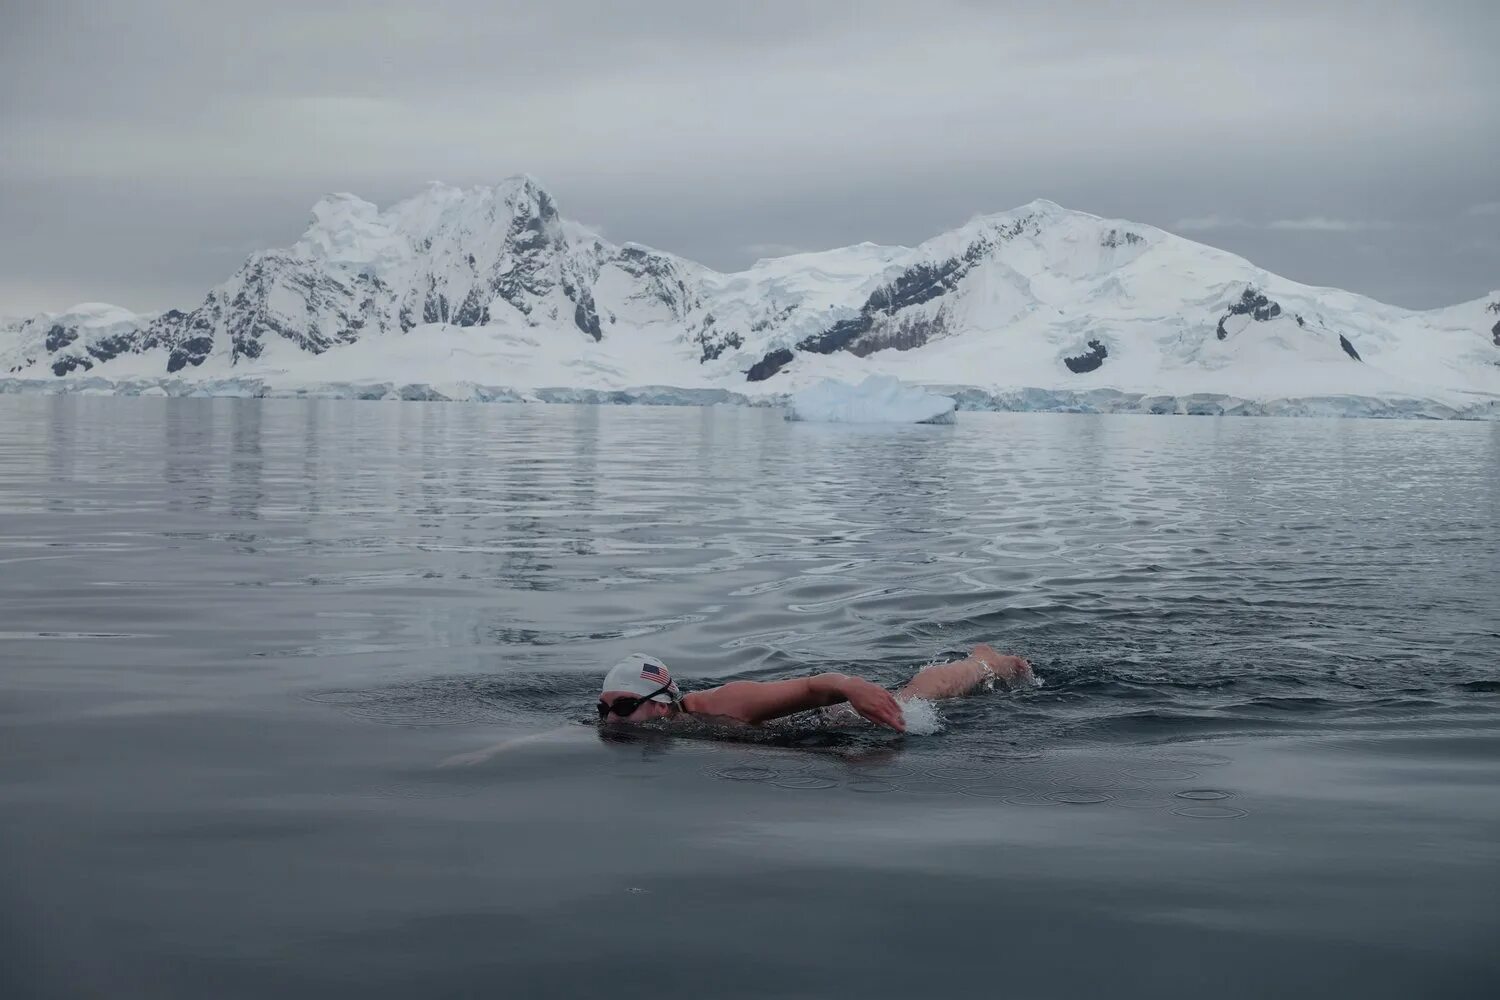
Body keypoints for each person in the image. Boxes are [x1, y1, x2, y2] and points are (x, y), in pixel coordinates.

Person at [597, 645, 1032, 734]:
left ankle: (985, 662)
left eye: (624, 706)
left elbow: (816, 684)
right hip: (809, 728)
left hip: (836, 713)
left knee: (919, 695)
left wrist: (854, 688)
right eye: (605, 710)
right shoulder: (652, 727)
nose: (611, 720)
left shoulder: (723, 704)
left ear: (660, 704)